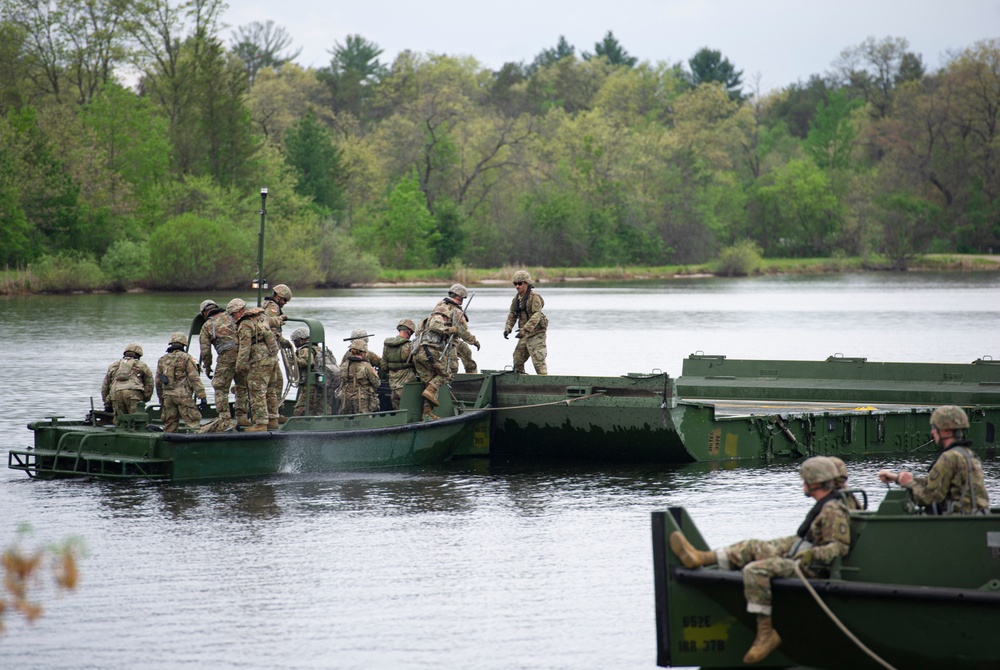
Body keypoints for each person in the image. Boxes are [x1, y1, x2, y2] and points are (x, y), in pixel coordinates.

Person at [668, 456, 851, 664]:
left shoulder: (833, 510)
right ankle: (701, 558)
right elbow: (809, 536)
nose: (803, 485)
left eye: (805, 480)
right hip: (802, 552)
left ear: (815, 482)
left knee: (755, 571)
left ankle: (766, 633)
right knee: (753, 546)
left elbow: (839, 547)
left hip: (809, 566)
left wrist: (811, 554)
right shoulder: (827, 504)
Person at [878, 405, 990, 514]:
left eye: (934, 428)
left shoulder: (949, 458)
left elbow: (930, 498)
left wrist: (909, 483)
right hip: (974, 519)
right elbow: (934, 483)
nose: (932, 432)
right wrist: (897, 478)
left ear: (946, 431)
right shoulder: (967, 454)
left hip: (957, 524)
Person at [412, 284, 481, 420]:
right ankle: (471, 380)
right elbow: (461, 331)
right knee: (449, 372)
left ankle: (426, 410)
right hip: (444, 346)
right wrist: (474, 341)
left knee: (430, 379)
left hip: (422, 348)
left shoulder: (438, 307)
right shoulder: (455, 311)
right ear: (461, 298)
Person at [230, 298, 279, 432]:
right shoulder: (260, 318)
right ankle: (273, 419)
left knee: (257, 390)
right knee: (270, 390)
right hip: (272, 358)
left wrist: (239, 367)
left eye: (233, 314)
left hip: (259, 360)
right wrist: (281, 319)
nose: (233, 318)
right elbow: (274, 321)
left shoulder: (245, 324)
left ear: (240, 311)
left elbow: (244, 349)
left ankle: (261, 423)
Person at [197, 299, 241, 425]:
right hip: (244, 354)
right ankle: (242, 417)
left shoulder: (207, 326)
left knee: (220, 387)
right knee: (242, 386)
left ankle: (225, 419)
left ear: (204, 313)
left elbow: (205, 351)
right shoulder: (233, 317)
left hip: (226, 357)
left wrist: (208, 367)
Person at [155, 333, 208, 433]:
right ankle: (194, 444)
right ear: (184, 344)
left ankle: (169, 445)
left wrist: (161, 398)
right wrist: (202, 396)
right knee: (193, 422)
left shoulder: (162, 359)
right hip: (183, 395)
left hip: (167, 396)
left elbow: (158, 381)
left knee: (169, 425)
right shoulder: (186, 358)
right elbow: (194, 379)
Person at [504, 270, 548, 375]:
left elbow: (536, 315)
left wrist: (525, 329)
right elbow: (512, 315)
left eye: (520, 283)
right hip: (524, 334)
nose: (517, 286)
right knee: (517, 359)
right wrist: (508, 328)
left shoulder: (534, 297)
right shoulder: (516, 299)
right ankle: (520, 382)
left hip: (537, 333)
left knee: (538, 361)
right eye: (515, 284)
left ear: (526, 283)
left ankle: (545, 384)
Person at [262, 284, 294, 425]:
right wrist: (279, 336)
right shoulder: (271, 307)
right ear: (279, 297)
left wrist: (281, 340)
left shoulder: (272, 307)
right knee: (276, 382)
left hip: (271, 350)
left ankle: (274, 413)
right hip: (267, 352)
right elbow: (267, 326)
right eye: (285, 300)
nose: (285, 303)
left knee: (277, 382)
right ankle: (271, 414)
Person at [290, 327, 340, 416]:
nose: (295, 344)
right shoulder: (320, 349)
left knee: (301, 408)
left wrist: (293, 359)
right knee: (322, 407)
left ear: (301, 339)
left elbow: (307, 362)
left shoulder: (305, 349)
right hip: (324, 382)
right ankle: (323, 424)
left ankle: (300, 424)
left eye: (296, 341)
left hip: (311, 384)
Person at [101, 343, 155, 425]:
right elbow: (149, 384)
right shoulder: (142, 365)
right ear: (139, 355)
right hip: (133, 394)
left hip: (115, 393)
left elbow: (105, 386)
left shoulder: (114, 365)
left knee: (120, 421)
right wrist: (145, 399)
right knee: (137, 421)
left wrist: (107, 403)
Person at [382, 319, 418, 409]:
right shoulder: (409, 346)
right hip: (407, 386)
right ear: (409, 331)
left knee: (397, 410)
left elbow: (384, 366)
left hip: (393, 384)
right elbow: (417, 364)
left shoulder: (387, 345)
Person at [339, 338, 380, 415]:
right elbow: (376, 384)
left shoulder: (344, 365)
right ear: (363, 353)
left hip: (346, 397)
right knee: (364, 420)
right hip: (362, 400)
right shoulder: (366, 367)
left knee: (347, 418)